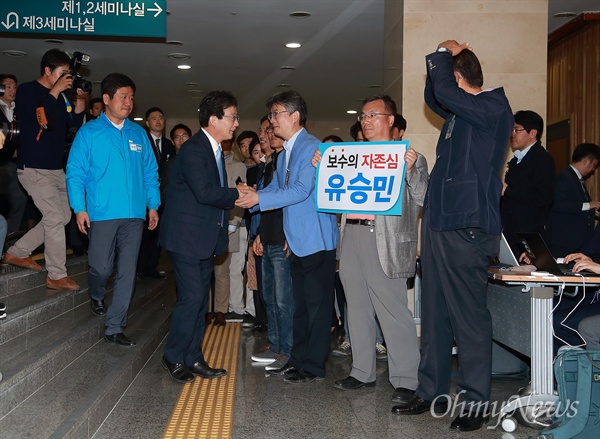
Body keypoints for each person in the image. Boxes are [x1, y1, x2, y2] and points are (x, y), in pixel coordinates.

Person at [392, 40, 514, 433]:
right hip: (442, 224)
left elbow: (442, 89)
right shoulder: (460, 115)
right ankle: (432, 391)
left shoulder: (493, 106)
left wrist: (442, 52)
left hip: (469, 226)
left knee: (469, 319)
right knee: (435, 316)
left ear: (459, 78)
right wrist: (441, 61)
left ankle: (476, 402)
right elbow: (436, 94)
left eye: (449, 75)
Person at [325, 95, 427, 407]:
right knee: (355, 307)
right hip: (353, 235)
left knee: (394, 312)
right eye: (363, 116)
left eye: (374, 115)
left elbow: (423, 196)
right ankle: (362, 371)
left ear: (391, 120)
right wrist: (323, 167)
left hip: (386, 240)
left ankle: (406, 380)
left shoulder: (411, 157)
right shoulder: (351, 154)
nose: (367, 121)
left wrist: (410, 170)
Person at [236, 90, 338, 384]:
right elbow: (275, 190)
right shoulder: (284, 155)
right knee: (300, 306)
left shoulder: (311, 146)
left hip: (317, 239)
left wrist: (256, 197)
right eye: (271, 115)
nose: (272, 121)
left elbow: (300, 191)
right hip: (294, 241)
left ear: (294, 116)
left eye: (276, 114)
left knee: (317, 308)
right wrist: (252, 196)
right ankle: (297, 358)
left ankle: (314, 365)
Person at [66, 73, 160, 347]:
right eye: (123, 97)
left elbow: (150, 173)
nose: (128, 102)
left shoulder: (138, 133)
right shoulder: (90, 133)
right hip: (102, 212)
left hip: (134, 215)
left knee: (127, 270)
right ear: (106, 99)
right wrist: (79, 208)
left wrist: (153, 205)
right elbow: (75, 174)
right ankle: (96, 293)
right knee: (101, 267)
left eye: (131, 97)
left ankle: (115, 326)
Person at [159, 90, 241, 383]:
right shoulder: (195, 149)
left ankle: (193, 356)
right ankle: (173, 355)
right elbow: (205, 193)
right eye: (231, 117)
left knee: (198, 302)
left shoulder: (214, 149)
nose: (235, 123)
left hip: (204, 238)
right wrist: (238, 195)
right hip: (185, 238)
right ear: (213, 118)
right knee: (192, 298)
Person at [4, 49, 88, 290]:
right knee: (53, 217)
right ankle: (56, 274)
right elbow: (42, 118)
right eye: (62, 74)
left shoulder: (60, 96)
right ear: (48, 71)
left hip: (55, 168)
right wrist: (57, 90)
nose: (66, 79)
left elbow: (73, 123)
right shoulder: (29, 91)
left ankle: (17, 251)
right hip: (34, 167)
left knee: (63, 215)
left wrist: (80, 99)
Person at [251, 119, 295, 370]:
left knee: (283, 299)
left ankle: (286, 350)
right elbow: (267, 206)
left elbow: (291, 202)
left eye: (270, 129)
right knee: (269, 297)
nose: (267, 134)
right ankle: (276, 344)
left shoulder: (286, 162)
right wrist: (259, 234)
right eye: (264, 131)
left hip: (281, 240)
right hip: (267, 238)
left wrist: (289, 234)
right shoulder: (269, 165)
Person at [501, 110, 554, 254]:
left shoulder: (542, 159)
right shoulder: (518, 159)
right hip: (511, 231)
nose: (512, 134)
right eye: (512, 129)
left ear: (532, 133)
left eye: (517, 130)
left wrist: (507, 190)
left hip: (527, 234)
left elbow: (544, 198)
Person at [213, 135, 251, 325]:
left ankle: (223, 309)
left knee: (225, 270)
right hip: (208, 222)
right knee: (205, 269)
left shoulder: (238, 166)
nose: (224, 144)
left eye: (228, 141)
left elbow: (241, 196)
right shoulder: (208, 161)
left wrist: (233, 223)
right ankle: (207, 309)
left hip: (229, 223)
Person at [137, 107, 176, 279]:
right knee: (143, 233)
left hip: (163, 197)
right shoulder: (141, 142)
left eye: (161, 117)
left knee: (157, 234)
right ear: (147, 123)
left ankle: (151, 268)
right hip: (144, 195)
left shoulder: (168, 145)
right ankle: (137, 268)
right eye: (154, 118)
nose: (158, 121)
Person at [545, 143, 600, 257]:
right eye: (594, 165)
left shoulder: (576, 179)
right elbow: (558, 204)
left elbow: (575, 205)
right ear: (585, 161)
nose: (593, 170)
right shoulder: (563, 178)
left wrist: (591, 210)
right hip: (564, 242)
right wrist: (589, 205)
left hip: (576, 242)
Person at [0, 73, 27, 236]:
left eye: (14, 87)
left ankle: (9, 237)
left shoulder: (19, 110)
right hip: (2, 162)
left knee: (19, 199)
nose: (12, 90)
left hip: (14, 162)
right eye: (8, 86)